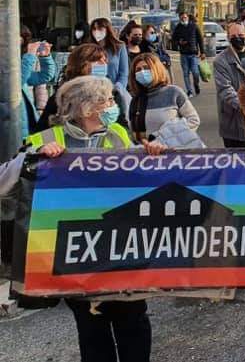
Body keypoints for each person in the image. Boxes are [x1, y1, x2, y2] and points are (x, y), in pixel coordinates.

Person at [25, 75, 161, 362]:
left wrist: (153, 155)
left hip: (122, 247)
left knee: (133, 322)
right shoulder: (47, 139)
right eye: (107, 101)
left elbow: (140, 175)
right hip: (76, 253)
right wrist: (37, 157)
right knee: (91, 328)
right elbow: (14, 177)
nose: (113, 106)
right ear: (86, 108)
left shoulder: (117, 134)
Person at [37, 43, 129, 131]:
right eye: (96, 60)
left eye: (105, 60)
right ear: (81, 64)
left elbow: (123, 127)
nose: (103, 64)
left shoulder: (113, 94)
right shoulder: (61, 97)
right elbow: (42, 130)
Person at [128, 53, 201, 147]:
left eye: (146, 68)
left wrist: (163, 140)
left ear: (156, 69)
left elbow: (193, 120)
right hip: (145, 156)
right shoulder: (135, 101)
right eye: (138, 70)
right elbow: (133, 134)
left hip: (173, 153)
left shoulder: (174, 92)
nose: (142, 72)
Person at [215, 22, 245, 148]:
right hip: (233, 124)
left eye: (240, 34)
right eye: (233, 36)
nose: (237, 38)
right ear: (228, 37)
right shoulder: (221, 61)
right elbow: (225, 90)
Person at [19, 29, 57, 140]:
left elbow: (44, 76)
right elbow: (17, 82)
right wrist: (30, 55)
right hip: (12, 130)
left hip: (29, 125)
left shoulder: (22, 65)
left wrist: (45, 57)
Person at [170, 11, 205, 97]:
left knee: (195, 72)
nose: (183, 19)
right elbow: (173, 40)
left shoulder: (194, 26)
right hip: (183, 54)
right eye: (182, 18)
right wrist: (179, 42)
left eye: (185, 18)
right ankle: (189, 91)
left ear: (188, 18)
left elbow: (200, 39)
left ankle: (196, 85)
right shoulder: (178, 28)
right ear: (179, 19)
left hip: (193, 54)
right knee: (186, 73)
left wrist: (203, 52)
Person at [88, 17, 129, 88]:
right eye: (94, 29)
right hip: (93, 89)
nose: (96, 32)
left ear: (107, 30)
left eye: (100, 29)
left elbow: (123, 73)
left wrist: (118, 89)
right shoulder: (88, 48)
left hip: (114, 89)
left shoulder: (119, 46)